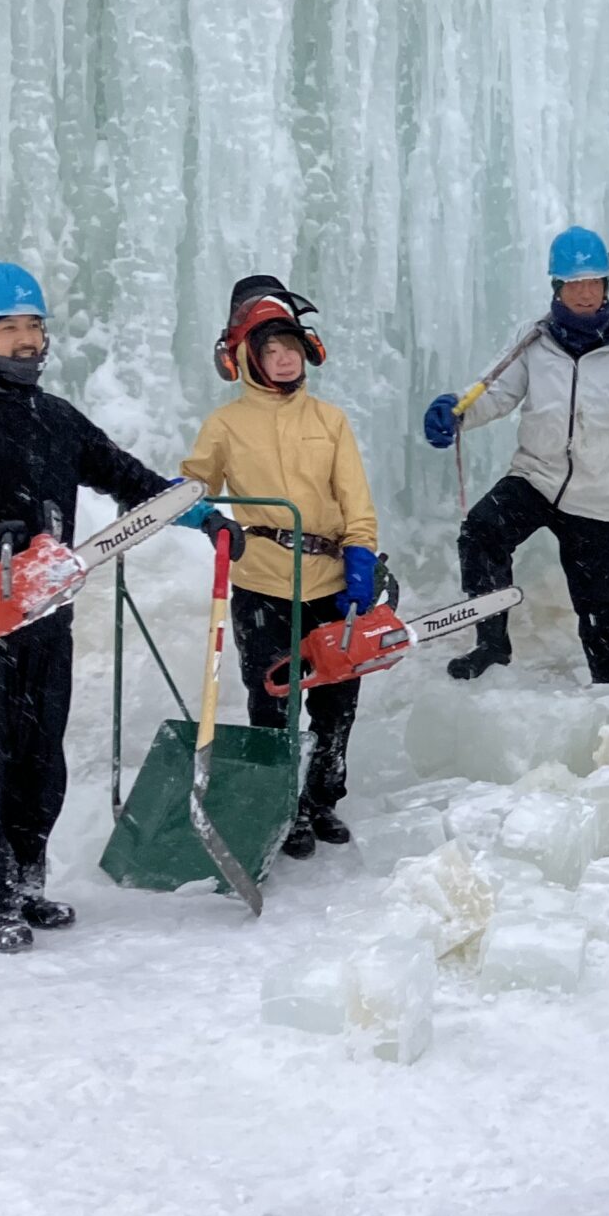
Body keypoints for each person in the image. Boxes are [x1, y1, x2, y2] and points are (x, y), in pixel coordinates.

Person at [0, 263, 238, 952]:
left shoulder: (55, 419)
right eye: (10, 328)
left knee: (40, 764)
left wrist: (202, 516)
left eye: (33, 326)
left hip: (46, 617)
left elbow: (131, 480)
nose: (25, 340)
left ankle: (25, 886)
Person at [181, 276, 389, 861]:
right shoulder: (225, 425)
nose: (283, 358)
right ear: (247, 358)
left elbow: (355, 500)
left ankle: (321, 798)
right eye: (270, 349)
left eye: (291, 346)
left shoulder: (330, 420)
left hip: (329, 580)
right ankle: (281, 804)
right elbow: (194, 484)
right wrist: (194, 510)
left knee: (337, 701)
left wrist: (361, 557)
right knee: (273, 698)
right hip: (262, 582)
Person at [422, 227, 609, 683]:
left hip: (596, 494)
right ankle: (491, 645)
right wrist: (457, 412)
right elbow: (496, 390)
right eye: (575, 284)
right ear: (557, 287)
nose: (586, 293)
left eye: (593, 282)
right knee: (481, 533)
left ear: (606, 285)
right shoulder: (534, 339)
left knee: (597, 604)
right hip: (535, 478)